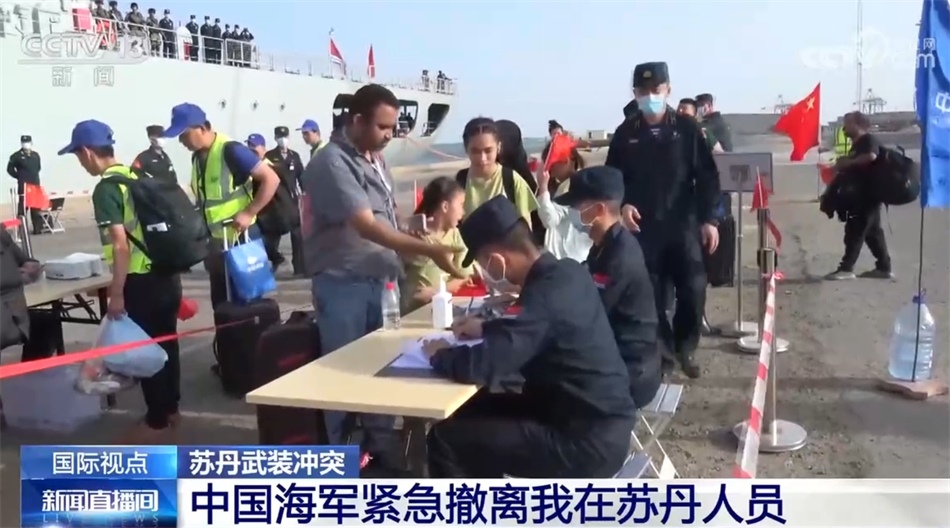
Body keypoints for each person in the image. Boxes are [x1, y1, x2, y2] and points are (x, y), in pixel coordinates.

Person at [301, 84, 462, 471]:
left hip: (380, 281)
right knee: (343, 371)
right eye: (383, 127)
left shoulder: (375, 159)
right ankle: (341, 459)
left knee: (382, 365)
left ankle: (381, 449)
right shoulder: (332, 163)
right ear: (357, 120)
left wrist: (413, 228)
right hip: (345, 284)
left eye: (394, 128)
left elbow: (386, 217)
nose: (390, 135)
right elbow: (366, 225)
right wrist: (429, 251)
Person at [422, 195, 636, 478]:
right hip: (588, 417)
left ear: (497, 260)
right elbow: (531, 329)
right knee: (469, 411)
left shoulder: (542, 295)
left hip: (584, 442)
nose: (485, 272)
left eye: (483, 263)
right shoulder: (566, 271)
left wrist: (438, 354)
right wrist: (486, 328)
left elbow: (486, 364)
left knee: (444, 440)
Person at [58, 119, 182, 443]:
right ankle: (171, 410)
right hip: (166, 275)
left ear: (87, 152)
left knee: (145, 352)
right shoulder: (136, 176)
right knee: (167, 345)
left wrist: (116, 294)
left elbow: (120, 245)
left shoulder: (107, 189)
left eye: (77, 156)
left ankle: (156, 421)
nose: (80, 163)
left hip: (139, 281)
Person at [606, 62, 721, 379]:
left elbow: (707, 177)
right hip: (643, 228)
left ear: (668, 90)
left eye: (656, 90)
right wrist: (622, 205)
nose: (650, 96)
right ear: (634, 93)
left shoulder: (687, 129)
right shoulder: (625, 133)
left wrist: (709, 219)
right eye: (643, 91)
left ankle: (687, 346)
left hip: (683, 224)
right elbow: (612, 179)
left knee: (694, 289)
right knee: (651, 296)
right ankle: (665, 353)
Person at [554, 166, 662, 408]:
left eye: (576, 206)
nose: (572, 213)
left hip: (632, 374)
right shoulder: (605, 244)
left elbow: (587, 316)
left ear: (599, 210)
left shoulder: (619, 256)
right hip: (622, 361)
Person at [161, 102, 280, 308]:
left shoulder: (231, 150)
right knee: (222, 304)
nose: (181, 141)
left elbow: (271, 179)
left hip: (241, 239)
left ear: (202, 128)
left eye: (184, 135)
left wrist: (249, 212)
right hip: (217, 243)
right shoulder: (197, 157)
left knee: (247, 303)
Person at [826, 111, 892, 280]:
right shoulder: (857, 144)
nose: (845, 127)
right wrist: (839, 166)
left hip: (866, 195)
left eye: (848, 123)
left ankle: (846, 268)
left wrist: (848, 162)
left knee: (855, 231)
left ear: (858, 125)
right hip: (862, 195)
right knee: (873, 233)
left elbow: (871, 156)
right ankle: (884, 267)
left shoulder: (868, 140)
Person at [400, 176, 473, 314]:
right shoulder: (415, 234)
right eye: (461, 205)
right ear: (445, 206)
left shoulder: (455, 235)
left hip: (441, 308)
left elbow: (464, 276)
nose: (463, 212)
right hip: (411, 310)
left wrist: (436, 292)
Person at [458, 118, 537, 225]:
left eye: (488, 151)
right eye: (475, 151)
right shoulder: (460, 181)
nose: (482, 158)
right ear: (466, 149)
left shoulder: (512, 181)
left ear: (498, 147)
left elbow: (525, 228)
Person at [533, 148, 591, 262]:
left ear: (566, 161)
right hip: (574, 254)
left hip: (566, 255)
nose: (548, 168)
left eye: (550, 163)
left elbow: (549, 219)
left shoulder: (571, 187)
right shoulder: (581, 180)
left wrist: (543, 187)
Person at [265, 126, 306, 275]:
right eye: (279, 136)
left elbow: (302, 177)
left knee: (297, 235)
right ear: (275, 138)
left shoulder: (294, 156)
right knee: (272, 236)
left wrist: (306, 193)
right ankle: (276, 260)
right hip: (275, 202)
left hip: (292, 201)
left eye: (285, 136)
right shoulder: (269, 156)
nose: (283, 139)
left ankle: (299, 267)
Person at [0, 225, 42, 352]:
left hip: (14, 313)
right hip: (6, 319)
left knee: (47, 324)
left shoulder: (2, 236)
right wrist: (17, 275)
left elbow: (25, 260)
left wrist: (31, 267)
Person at [6, 135, 44, 235]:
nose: (26, 144)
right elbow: (9, 169)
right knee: (22, 210)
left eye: (27, 142)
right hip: (24, 186)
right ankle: (21, 231)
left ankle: (37, 229)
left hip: (35, 185)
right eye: (24, 142)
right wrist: (19, 176)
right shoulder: (16, 156)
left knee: (36, 209)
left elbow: (38, 168)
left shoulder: (35, 155)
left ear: (31, 143)